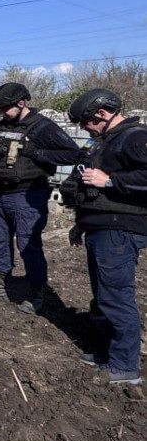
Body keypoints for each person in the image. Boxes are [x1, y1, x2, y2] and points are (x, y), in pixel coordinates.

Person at [63, 89, 147, 386]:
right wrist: (81, 224)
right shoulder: (105, 141)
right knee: (103, 297)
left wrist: (111, 180)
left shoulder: (134, 137)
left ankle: (125, 366)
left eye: (86, 121)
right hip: (101, 227)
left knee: (116, 297)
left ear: (101, 113)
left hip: (120, 229)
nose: (84, 128)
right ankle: (106, 354)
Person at [0, 82, 78, 313]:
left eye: (5, 108)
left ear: (21, 103)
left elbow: (72, 153)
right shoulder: (2, 124)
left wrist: (36, 153)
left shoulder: (42, 127)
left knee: (28, 245)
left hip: (27, 195)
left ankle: (36, 293)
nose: (1, 113)